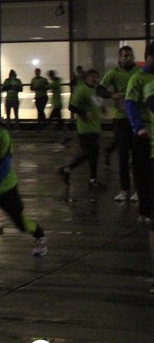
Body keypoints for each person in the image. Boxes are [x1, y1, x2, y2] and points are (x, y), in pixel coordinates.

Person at [0, 99, 47, 256]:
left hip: (5, 188)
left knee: (21, 223)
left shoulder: (0, 135)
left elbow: (4, 167)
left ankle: (39, 235)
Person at [99, 46, 139, 202]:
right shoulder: (113, 73)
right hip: (120, 119)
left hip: (137, 118)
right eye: (125, 56)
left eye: (130, 55)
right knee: (123, 155)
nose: (128, 58)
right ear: (120, 58)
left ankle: (138, 190)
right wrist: (113, 95)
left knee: (138, 156)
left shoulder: (139, 72)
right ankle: (125, 190)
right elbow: (100, 90)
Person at [59, 69, 103, 198]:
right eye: (92, 76)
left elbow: (96, 104)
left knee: (91, 154)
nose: (95, 79)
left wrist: (103, 109)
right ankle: (89, 178)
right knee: (90, 153)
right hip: (85, 128)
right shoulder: (82, 90)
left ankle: (70, 170)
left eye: (97, 77)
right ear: (87, 78)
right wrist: (84, 114)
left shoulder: (96, 90)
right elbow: (71, 107)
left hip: (95, 127)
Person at [124, 42, 154, 222]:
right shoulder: (138, 79)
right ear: (149, 57)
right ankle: (146, 210)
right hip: (145, 135)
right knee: (144, 173)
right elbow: (130, 104)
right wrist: (139, 127)